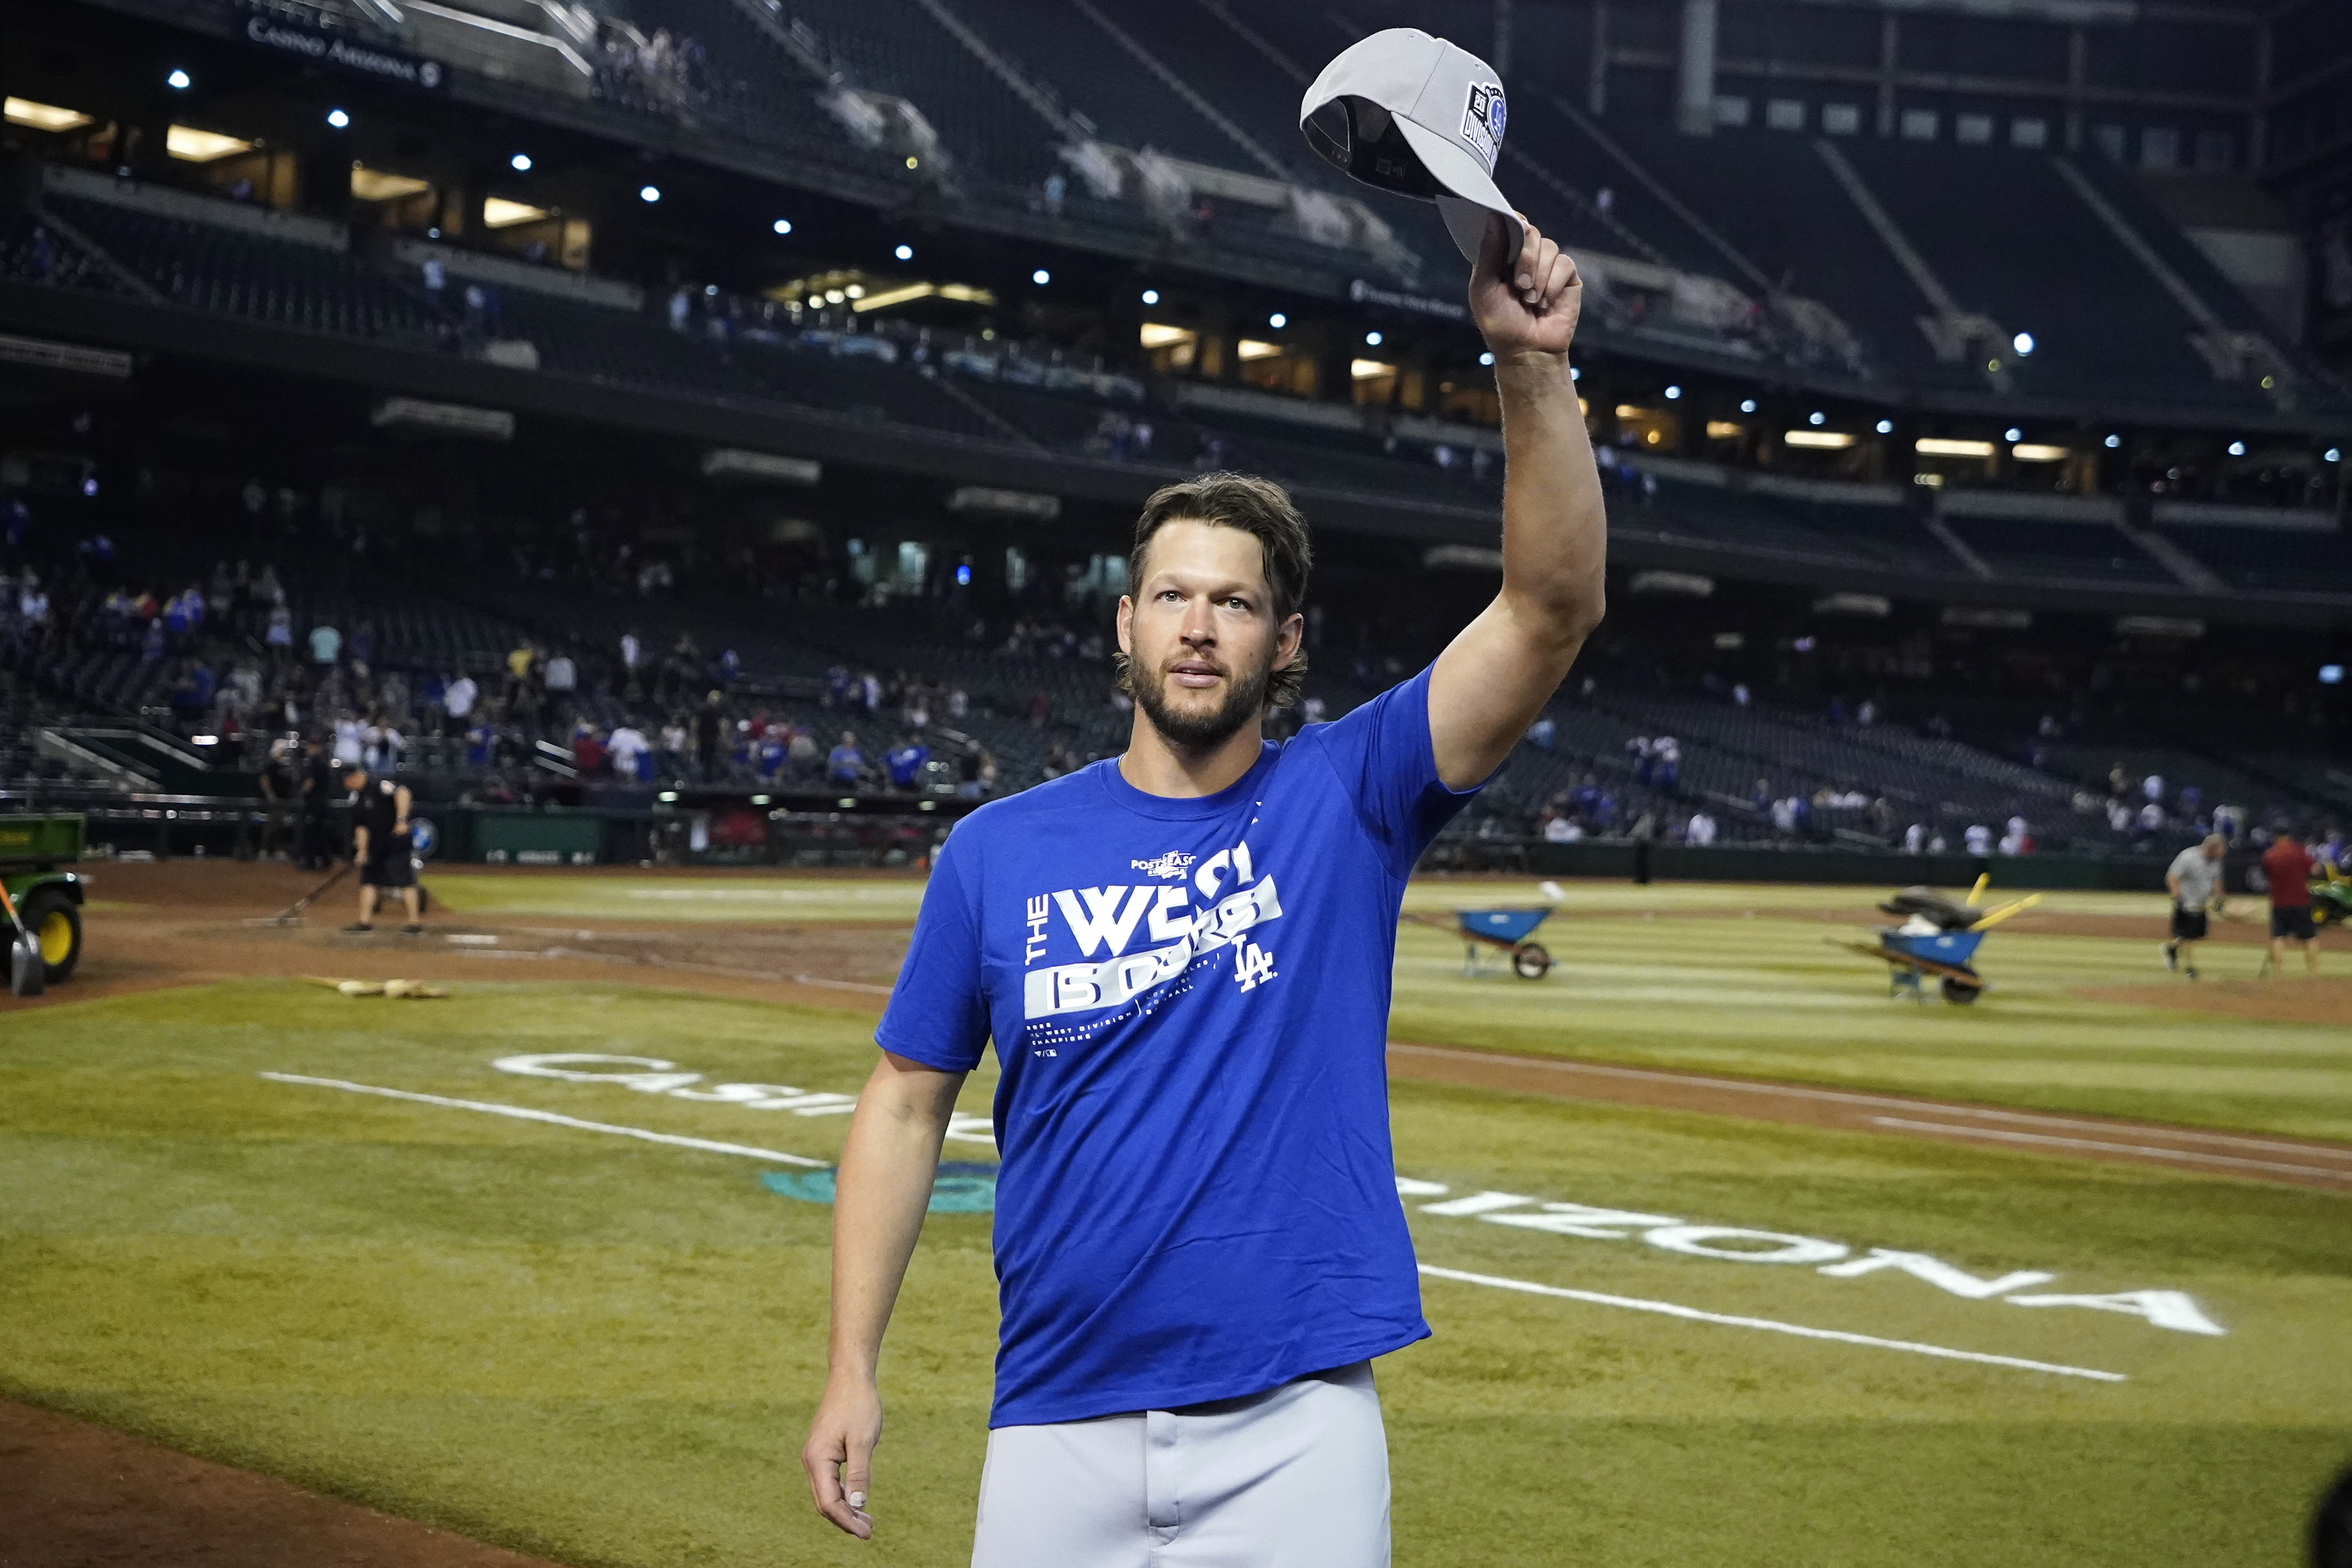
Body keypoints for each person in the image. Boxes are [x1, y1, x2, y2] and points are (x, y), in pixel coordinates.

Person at [802, 208, 1602, 1563]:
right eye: (1171, 596)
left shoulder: (1351, 796)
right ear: (1124, 625)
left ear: (1283, 642)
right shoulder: (998, 849)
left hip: (1294, 1427)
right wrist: (850, 1363)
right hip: (1055, 1417)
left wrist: (1529, 367)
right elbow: (905, 1098)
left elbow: (1550, 607)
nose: (1197, 625)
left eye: (1233, 603)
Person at [340, 764, 421, 934]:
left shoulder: (380, 785)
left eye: (346, 781)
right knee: (368, 881)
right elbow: (361, 827)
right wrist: (362, 851)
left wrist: (401, 820)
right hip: (375, 846)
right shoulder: (356, 799)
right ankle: (364, 922)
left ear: (354, 777)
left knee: (405, 881)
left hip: (396, 842)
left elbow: (403, 792)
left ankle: (414, 923)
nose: (346, 785)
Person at [2163, 833, 2226, 979]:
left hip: (2201, 905)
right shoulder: (2188, 857)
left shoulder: (2215, 861)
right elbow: (2172, 876)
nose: (2220, 855)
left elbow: (2217, 881)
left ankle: (2171, 949)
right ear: (2211, 848)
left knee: (2196, 935)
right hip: (2186, 903)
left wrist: (2220, 899)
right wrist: (2177, 896)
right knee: (2188, 937)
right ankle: (2189, 968)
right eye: (2219, 851)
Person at [2262, 828, 2321, 977]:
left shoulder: (2270, 855)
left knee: (2278, 937)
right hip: (2300, 901)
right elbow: (2315, 870)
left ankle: (2278, 974)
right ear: (2288, 837)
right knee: (2310, 938)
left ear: (2275, 838)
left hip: (2279, 902)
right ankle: (2313, 974)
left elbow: (2267, 875)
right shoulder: (2299, 851)